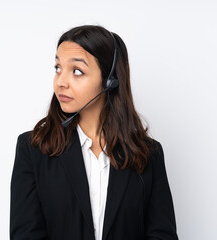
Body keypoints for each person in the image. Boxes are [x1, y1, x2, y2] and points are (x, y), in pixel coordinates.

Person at [10, 24, 179, 240]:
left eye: (77, 71)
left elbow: (161, 235)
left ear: (109, 80)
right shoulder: (32, 149)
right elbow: (26, 235)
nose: (61, 82)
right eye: (58, 68)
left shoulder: (148, 154)